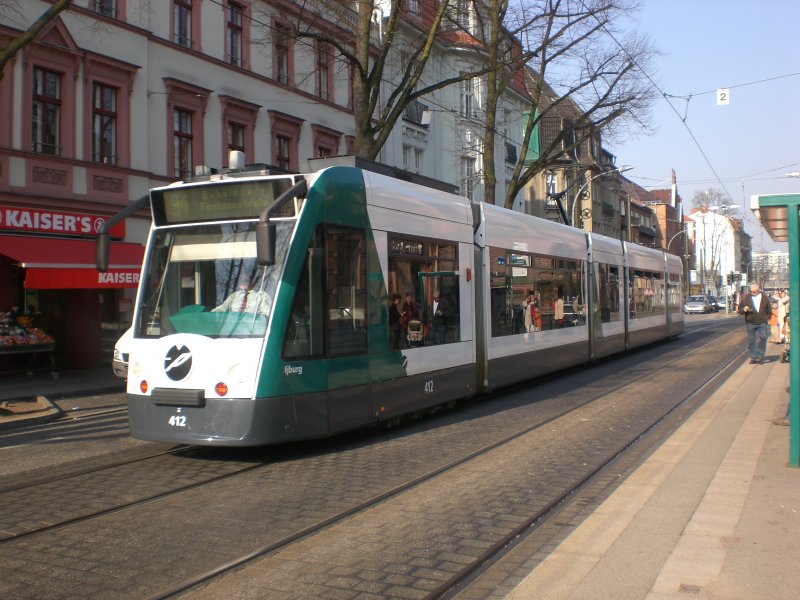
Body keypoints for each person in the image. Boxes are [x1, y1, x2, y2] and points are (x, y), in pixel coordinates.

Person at [737, 282, 772, 364]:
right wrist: (744, 310)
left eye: (754, 291)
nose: (752, 293)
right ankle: (753, 357)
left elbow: (769, 309)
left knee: (763, 338)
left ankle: (760, 356)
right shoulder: (746, 298)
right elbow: (739, 309)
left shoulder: (764, 297)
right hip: (751, 322)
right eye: (751, 291)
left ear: (758, 290)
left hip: (762, 322)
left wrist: (767, 317)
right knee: (751, 341)